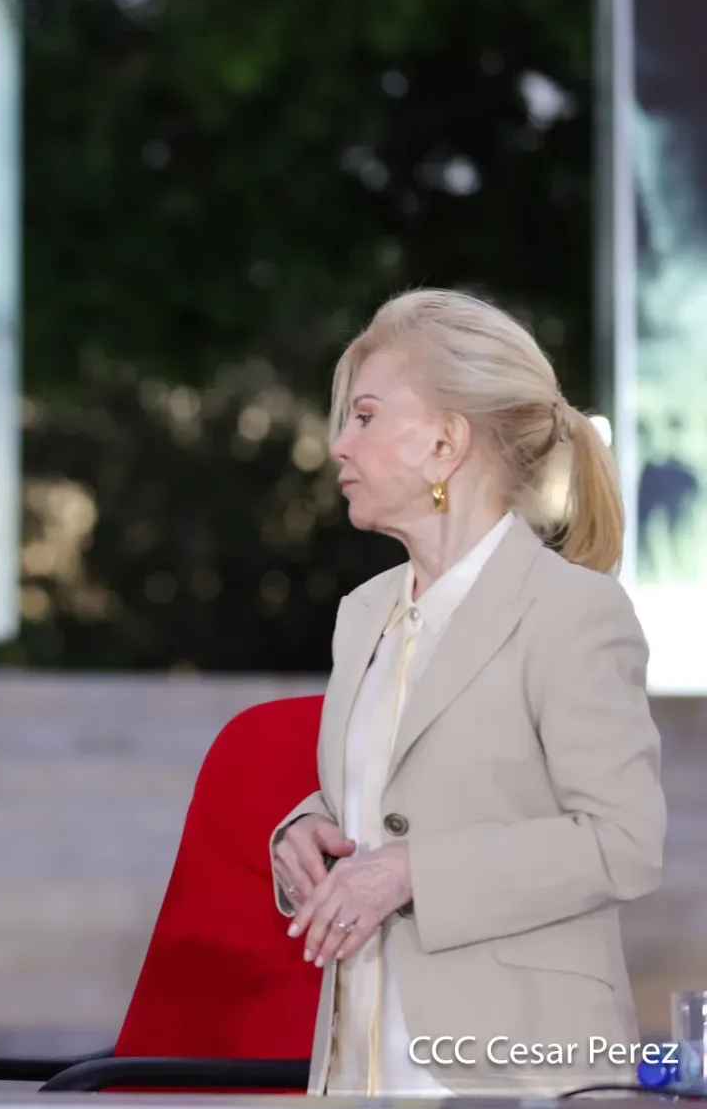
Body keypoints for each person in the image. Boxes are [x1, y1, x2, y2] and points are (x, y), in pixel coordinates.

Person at [269, 289, 665, 1097]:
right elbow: (389, 796)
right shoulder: (364, 614)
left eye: (367, 416)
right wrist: (305, 831)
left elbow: (623, 841)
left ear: (447, 442)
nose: (339, 444)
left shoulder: (573, 612)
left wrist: (415, 871)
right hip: (361, 1063)